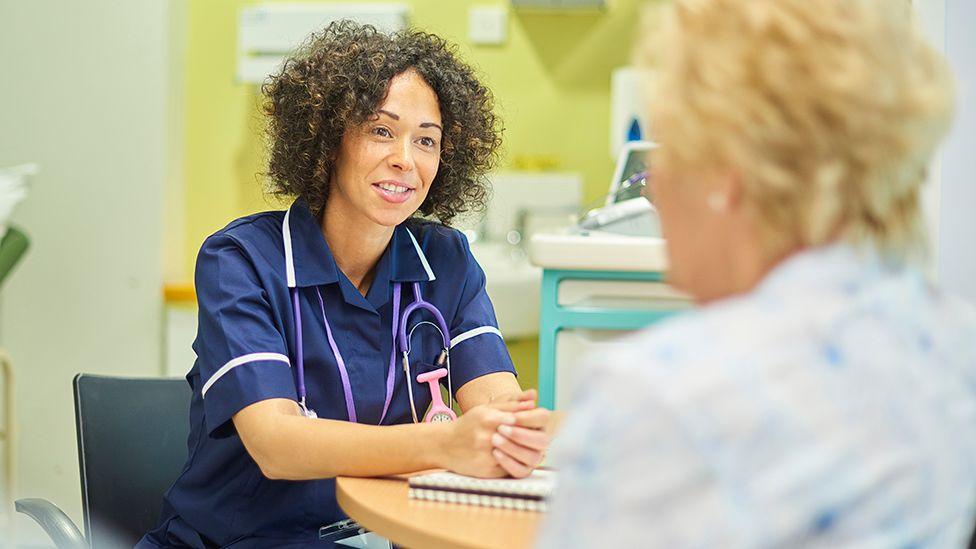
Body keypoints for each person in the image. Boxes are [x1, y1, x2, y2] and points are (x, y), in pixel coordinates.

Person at [539, 0, 976, 547]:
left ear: (727, 169)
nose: (651, 184)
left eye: (665, 145)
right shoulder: (954, 343)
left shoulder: (662, 394)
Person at [139, 22, 550, 548]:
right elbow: (278, 444)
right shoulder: (242, 260)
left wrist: (510, 435)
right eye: (382, 130)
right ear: (330, 140)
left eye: (427, 140)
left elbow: (495, 398)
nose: (406, 158)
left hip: (379, 535)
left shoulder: (447, 261)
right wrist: (446, 443)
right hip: (239, 541)